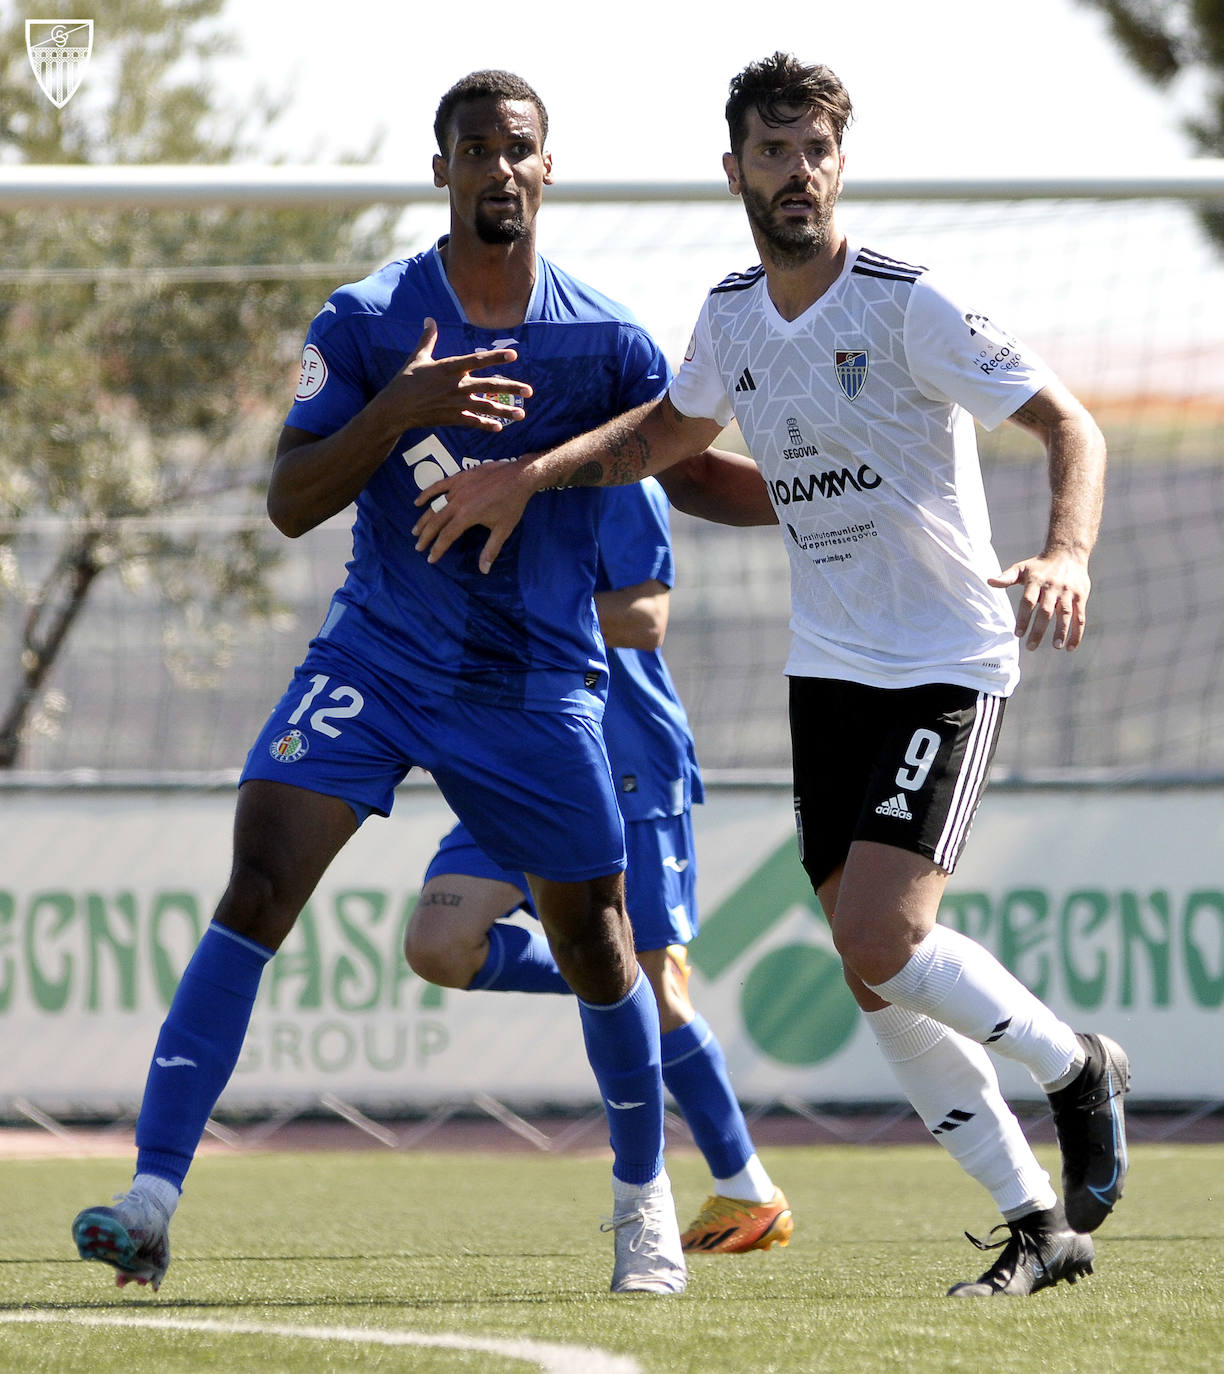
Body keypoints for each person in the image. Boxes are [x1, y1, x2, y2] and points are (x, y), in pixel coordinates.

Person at [410, 54, 1129, 1300]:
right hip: (829, 674)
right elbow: (667, 443)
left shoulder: (912, 303)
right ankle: (1034, 1227)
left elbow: (1074, 424)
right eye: (775, 152)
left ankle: (1077, 1069)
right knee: (870, 970)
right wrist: (529, 477)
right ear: (734, 168)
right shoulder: (733, 316)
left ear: (840, 164)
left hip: (946, 661)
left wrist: (1065, 552)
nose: (799, 174)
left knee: (882, 936)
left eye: (817, 152)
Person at [69, 69, 755, 1299]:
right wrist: (398, 408)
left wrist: (834, 493)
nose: (498, 167)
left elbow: (688, 462)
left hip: (533, 681)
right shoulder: (368, 318)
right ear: (439, 170)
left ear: (551, 168)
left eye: (519, 149)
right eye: (474, 149)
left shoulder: (604, 337)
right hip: (376, 658)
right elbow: (288, 502)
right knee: (261, 874)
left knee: (600, 942)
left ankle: (643, 1204)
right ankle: (152, 1196)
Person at [404, 476, 792, 1255]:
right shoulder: (485, 472)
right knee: (439, 942)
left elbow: (646, 617)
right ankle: (603, 973)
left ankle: (749, 1193)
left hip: (624, 764)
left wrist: (510, 618)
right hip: (517, 761)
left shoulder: (620, 477)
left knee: (656, 988)